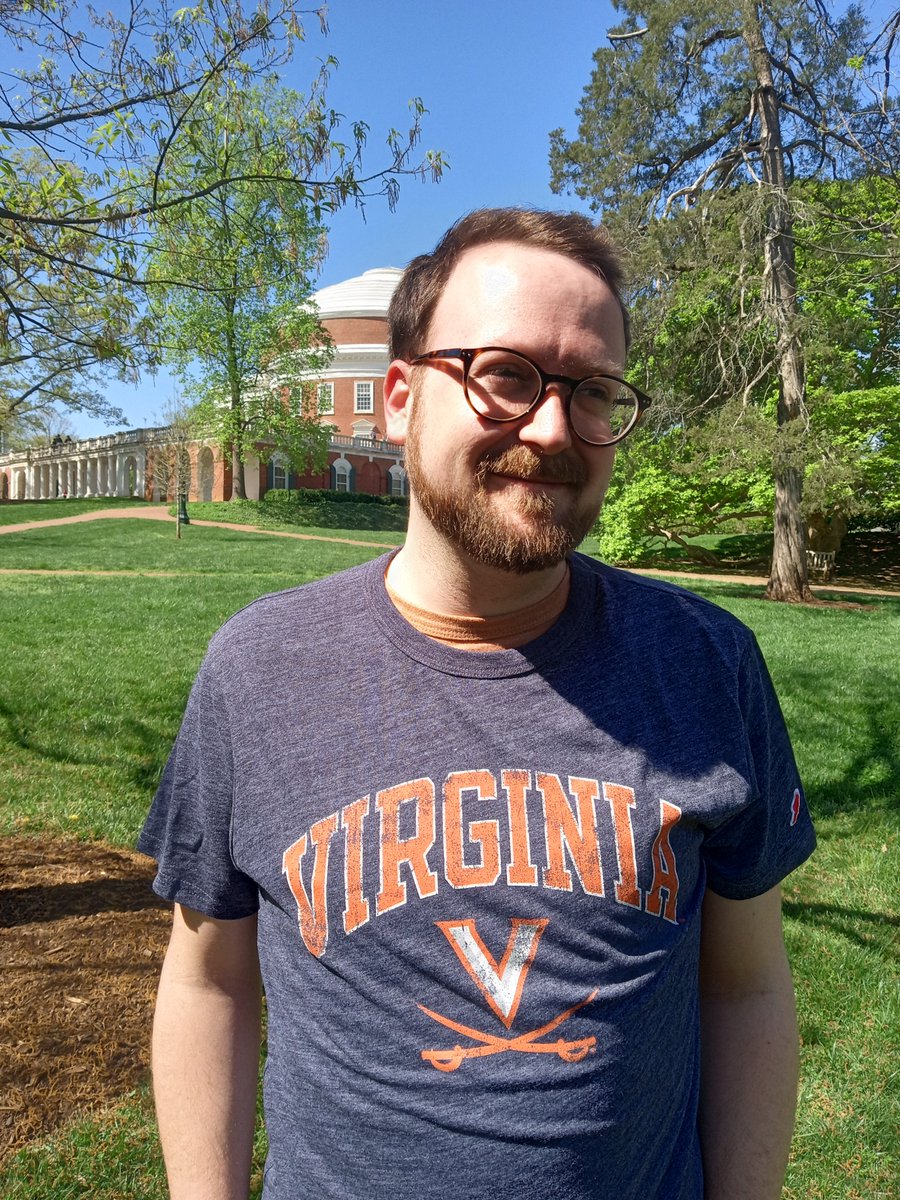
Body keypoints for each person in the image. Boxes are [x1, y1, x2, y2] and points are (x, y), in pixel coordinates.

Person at [139, 208, 815, 1200]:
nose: (551, 429)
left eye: (593, 392)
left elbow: (747, 985)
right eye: (505, 375)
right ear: (403, 399)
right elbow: (210, 982)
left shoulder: (708, 665)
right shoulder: (258, 670)